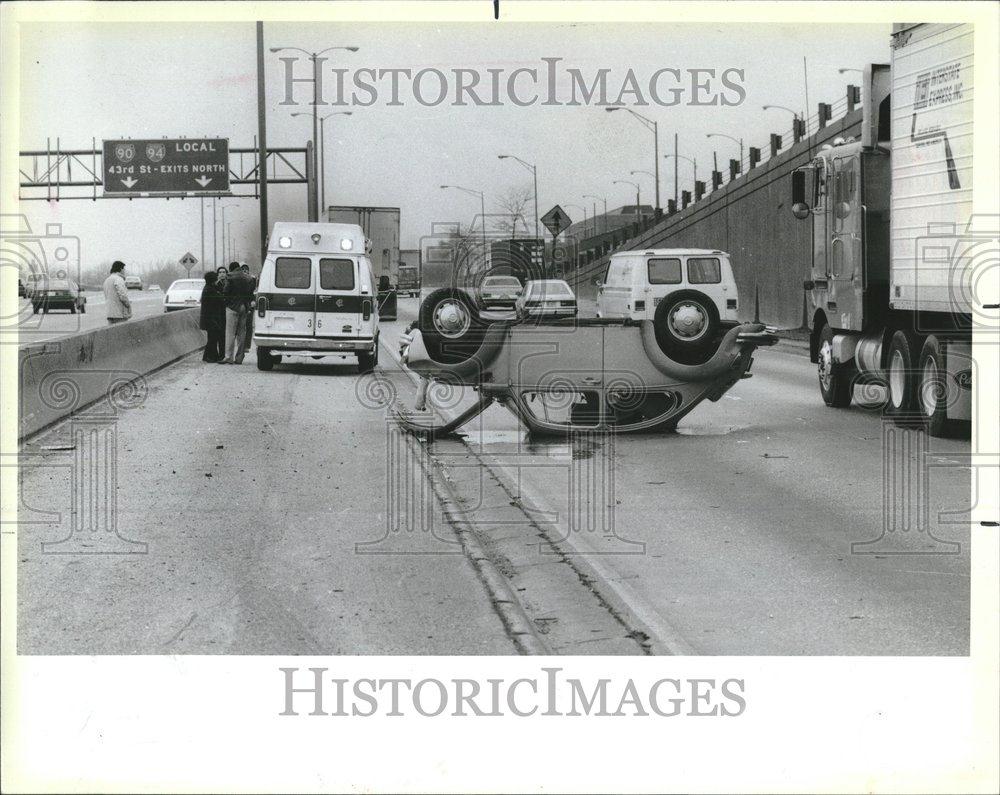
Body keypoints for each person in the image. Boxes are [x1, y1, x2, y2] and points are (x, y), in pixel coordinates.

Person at [219, 261, 255, 364]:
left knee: (230, 333)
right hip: (244, 307)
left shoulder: (229, 276)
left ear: (230, 269)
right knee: (241, 333)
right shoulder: (248, 278)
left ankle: (228, 357)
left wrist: (227, 303)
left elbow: (225, 292)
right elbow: (250, 292)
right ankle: (239, 357)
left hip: (233, 307)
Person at [199, 271, 226, 362]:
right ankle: (210, 357)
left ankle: (208, 356)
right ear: (213, 280)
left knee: (212, 338)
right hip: (211, 319)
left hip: (208, 318)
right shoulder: (210, 290)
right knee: (212, 338)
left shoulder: (208, 288)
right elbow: (220, 300)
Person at [240, 263, 257, 351]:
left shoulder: (252, 279)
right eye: (243, 269)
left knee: (249, 325)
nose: (245, 271)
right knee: (241, 326)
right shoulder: (239, 281)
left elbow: (253, 291)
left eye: (246, 269)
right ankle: (241, 345)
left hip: (250, 304)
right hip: (241, 304)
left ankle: (247, 345)